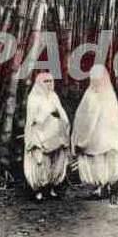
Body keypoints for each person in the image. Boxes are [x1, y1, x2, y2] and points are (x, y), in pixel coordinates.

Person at [71, 65, 118, 199]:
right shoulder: (107, 94)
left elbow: (88, 119)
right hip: (107, 138)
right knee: (103, 160)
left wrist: (81, 139)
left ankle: (101, 186)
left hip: (98, 137)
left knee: (99, 159)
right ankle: (104, 185)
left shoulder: (95, 95)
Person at [23, 71, 72, 201]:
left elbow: (61, 113)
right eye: (46, 81)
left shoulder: (54, 96)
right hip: (40, 134)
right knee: (40, 160)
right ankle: (38, 190)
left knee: (56, 160)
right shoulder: (33, 98)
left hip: (55, 134)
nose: (49, 84)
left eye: (51, 81)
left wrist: (61, 119)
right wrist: (48, 112)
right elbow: (33, 119)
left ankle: (52, 188)